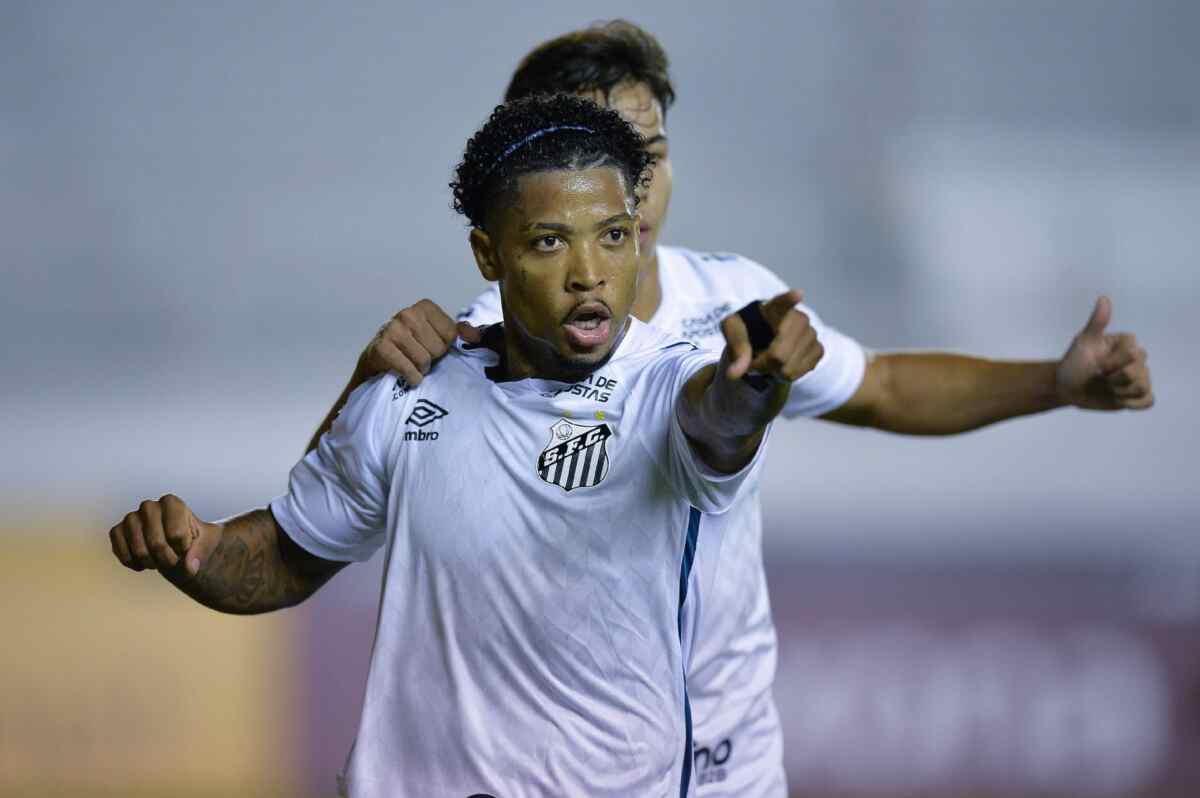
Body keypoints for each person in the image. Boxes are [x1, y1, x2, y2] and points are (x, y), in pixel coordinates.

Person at [305, 20, 1157, 798]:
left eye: (654, 153)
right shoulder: (474, 349)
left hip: (725, 759)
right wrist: (361, 381)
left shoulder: (733, 303)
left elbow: (887, 387)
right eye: (610, 155)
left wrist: (1056, 381)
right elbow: (325, 501)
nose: (637, 187)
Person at [108, 93, 823, 797]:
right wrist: (196, 550)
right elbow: (288, 556)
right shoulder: (409, 392)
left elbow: (721, 421)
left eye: (611, 236)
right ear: (489, 254)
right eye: (550, 241)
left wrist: (756, 384)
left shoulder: (665, 387)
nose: (588, 272)